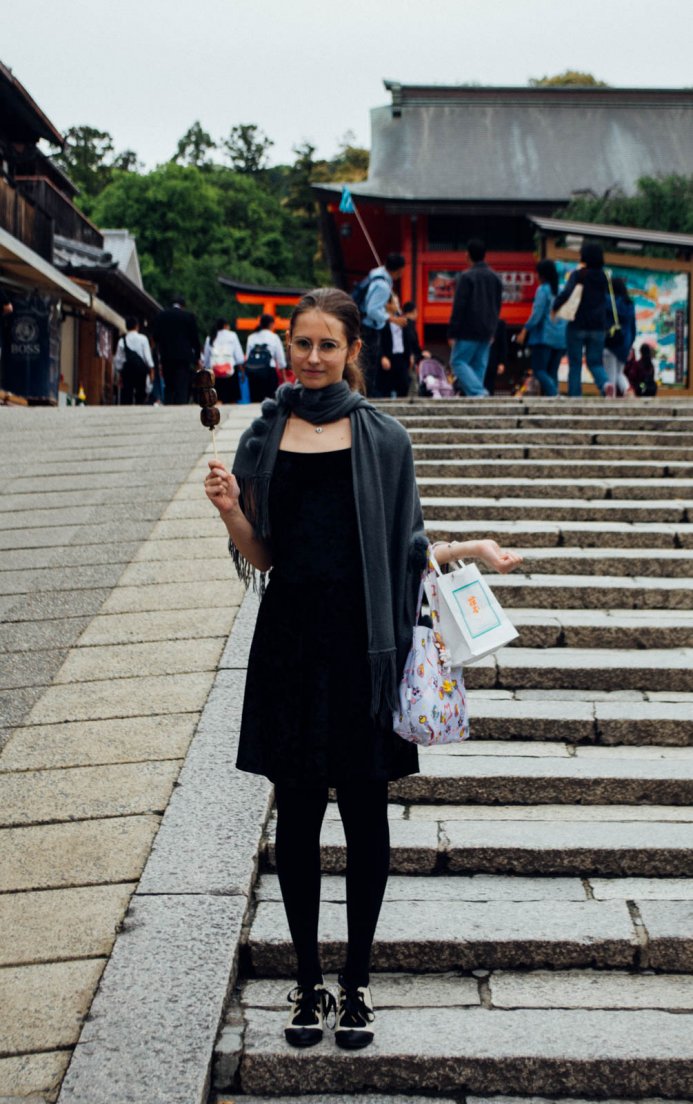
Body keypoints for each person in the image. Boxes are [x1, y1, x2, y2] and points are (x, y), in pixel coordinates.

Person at [204, 287, 520, 1052]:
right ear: (287, 348)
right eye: (300, 344)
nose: (312, 358)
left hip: (365, 649)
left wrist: (470, 548)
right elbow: (265, 556)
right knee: (301, 818)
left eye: (326, 345)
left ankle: (357, 986)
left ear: (353, 351)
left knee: (367, 817)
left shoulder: (385, 439)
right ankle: (307, 983)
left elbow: (406, 549)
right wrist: (230, 513)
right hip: (290, 644)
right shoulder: (265, 434)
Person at [551, 243, 610, 397]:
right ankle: (605, 385)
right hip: (598, 327)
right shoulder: (604, 277)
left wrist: (554, 308)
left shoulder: (578, 275)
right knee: (595, 362)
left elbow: (566, 293)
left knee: (575, 363)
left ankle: (575, 396)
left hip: (577, 324)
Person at [448, 238, 503, 397]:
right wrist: (493, 330)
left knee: (458, 362)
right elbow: (497, 306)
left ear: (468, 255)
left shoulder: (466, 277)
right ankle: (475, 397)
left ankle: (478, 392)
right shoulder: (495, 278)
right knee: (479, 365)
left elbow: (459, 306)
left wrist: (452, 331)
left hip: (468, 328)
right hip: (487, 329)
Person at [358, 253, 407, 395]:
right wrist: (393, 319)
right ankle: (366, 394)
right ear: (398, 270)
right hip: (370, 327)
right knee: (369, 364)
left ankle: (366, 393)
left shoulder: (376, 275)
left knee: (366, 362)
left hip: (365, 325)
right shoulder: (383, 285)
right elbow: (372, 310)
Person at [516, 260, 567, 397]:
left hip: (544, 337)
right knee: (552, 372)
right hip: (560, 338)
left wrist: (525, 330)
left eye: (537, 273)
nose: (536, 276)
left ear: (542, 275)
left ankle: (554, 394)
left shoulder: (543, 290)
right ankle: (554, 401)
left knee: (539, 369)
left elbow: (537, 314)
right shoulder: (561, 290)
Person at [152, 294, 201, 404]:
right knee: (182, 383)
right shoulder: (188, 316)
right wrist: (197, 357)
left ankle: (169, 403)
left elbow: (156, 336)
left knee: (169, 384)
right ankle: (180, 405)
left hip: (166, 355)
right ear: (183, 306)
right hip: (183, 357)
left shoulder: (161, 316)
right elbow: (195, 339)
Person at [377, 296, 417, 397]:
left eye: (398, 303)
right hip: (388, 357)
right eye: (395, 303)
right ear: (388, 305)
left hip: (402, 357)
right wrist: (382, 356)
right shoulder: (381, 320)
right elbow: (378, 340)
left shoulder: (402, 319)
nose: (397, 306)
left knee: (404, 386)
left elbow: (408, 338)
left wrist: (411, 354)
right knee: (385, 388)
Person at [603, 277, 636, 397]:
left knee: (610, 376)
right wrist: (630, 347)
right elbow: (633, 328)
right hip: (624, 344)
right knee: (619, 373)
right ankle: (627, 389)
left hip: (609, 344)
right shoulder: (629, 304)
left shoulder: (607, 302)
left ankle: (609, 402)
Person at [245, 314, 288, 402]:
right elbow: (280, 359)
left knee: (255, 400)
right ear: (271, 324)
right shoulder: (274, 337)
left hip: (253, 373)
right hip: (269, 372)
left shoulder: (251, 337)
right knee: (270, 400)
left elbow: (248, 356)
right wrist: (284, 377)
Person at [203, 318, 245, 404]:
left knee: (217, 398)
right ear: (225, 325)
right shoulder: (232, 335)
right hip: (230, 372)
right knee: (232, 399)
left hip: (215, 372)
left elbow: (206, 359)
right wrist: (242, 370)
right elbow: (239, 356)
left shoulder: (210, 337)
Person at [114, 316, 154, 405]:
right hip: (141, 370)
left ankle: (126, 411)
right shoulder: (143, 339)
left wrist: (120, 372)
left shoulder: (122, 340)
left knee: (127, 394)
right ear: (137, 326)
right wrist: (151, 370)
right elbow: (147, 357)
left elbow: (118, 359)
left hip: (127, 370)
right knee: (140, 394)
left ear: (126, 327)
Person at [484, 317, 509, 396]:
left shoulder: (499, 324)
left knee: (489, 385)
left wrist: (502, 362)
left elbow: (503, 344)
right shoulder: (475, 321)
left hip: (491, 361)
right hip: (479, 360)